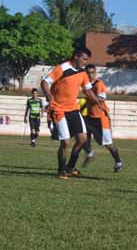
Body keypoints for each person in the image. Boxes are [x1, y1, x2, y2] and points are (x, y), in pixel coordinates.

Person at [40, 47, 104, 180]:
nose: (85, 62)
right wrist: (48, 94)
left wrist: (98, 102)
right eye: (84, 59)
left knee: (82, 139)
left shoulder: (82, 73)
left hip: (73, 109)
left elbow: (88, 91)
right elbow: (45, 82)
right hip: (58, 109)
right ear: (76, 56)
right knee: (65, 142)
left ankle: (70, 167)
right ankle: (60, 170)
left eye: (87, 60)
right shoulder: (62, 68)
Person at [80, 64, 124, 172]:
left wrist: (89, 98)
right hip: (89, 116)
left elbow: (101, 98)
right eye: (88, 73)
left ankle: (118, 161)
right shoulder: (86, 86)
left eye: (92, 73)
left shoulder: (99, 84)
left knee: (108, 143)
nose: (90, 75)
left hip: (100, 118)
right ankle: (89, 153)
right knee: (81, 137)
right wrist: (83, 108)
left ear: (95, 73)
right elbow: (88, 100)